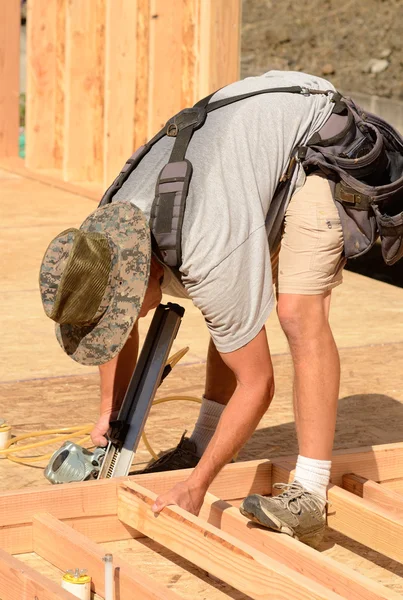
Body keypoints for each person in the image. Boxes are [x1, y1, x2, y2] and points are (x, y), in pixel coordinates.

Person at [40, 70, 347, 549]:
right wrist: (109, 411)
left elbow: (257, 383)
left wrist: (197, 484)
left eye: (123, 312)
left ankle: (309, 491)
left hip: (313, 135)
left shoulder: (207, 247)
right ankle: (202, 441)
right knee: (229, 312)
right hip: (237, 161)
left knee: (296, 312)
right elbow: (111, 324)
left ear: (141, 272)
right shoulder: (101, 237)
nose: (129, 321)